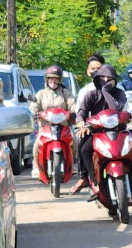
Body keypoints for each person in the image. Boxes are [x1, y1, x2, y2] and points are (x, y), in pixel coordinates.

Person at [73, 64, 126, 198]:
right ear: (97, 78)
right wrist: (80, 122)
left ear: (115, 80)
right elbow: (82, 112)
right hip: (97, 132)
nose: (106, 80)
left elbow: (116, 108)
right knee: (84, 148)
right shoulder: (90, 94)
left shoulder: (119, 93)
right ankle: (90, 179)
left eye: (109, 78)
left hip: (118, 132)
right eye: (102, 77)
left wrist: (106, 91)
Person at [29, 64, 77, 178]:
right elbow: (33, 107)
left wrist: (73, 112)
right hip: (45, 126)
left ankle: (72, 164)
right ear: (46, 79)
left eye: (56, 78)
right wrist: (34, 113)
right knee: (37, 143)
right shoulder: (41, 94)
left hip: (63, 125)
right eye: (50, 78)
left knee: (74, 141)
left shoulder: (66, 93)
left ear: (60, 80)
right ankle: (36, 166)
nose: (53, 81)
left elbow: (73, 106)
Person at [73, 54, 106, 185]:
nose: (96, 72)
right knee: (81, 142)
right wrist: (82, 124)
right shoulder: (86, 91)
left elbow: (125, 110)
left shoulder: (117, 88)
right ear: (88, 72)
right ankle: (85, 177)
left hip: (115, 128)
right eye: (93, 69)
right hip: (93, 130)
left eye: (99, 69)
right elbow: (81, 112)